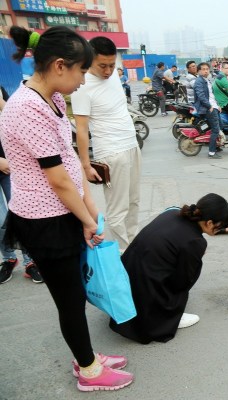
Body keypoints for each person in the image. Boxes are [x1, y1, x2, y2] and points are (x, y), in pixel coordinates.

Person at [0, 26, 133, 391]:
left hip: (65, 212)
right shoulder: (27, 108)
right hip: (45, 220)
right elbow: (57, 180)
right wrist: (88, 220)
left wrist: (90, 209)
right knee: (70, 299)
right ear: (60, 66)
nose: (83, 80)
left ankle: (86, 357)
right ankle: (89, 371)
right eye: (81, 72)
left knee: (75, 292)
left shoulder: (53, 99)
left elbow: (72, 162)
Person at [109, 194, 228, 344]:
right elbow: (181, 282)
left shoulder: (172, 213)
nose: (220, 231)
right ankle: (167, 315)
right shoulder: (195, 241)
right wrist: (196, 259)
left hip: (124, 282)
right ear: (209, 222)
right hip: (145, 295)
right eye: (219, 227)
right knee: (188, 271)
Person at [71, 37, 141, 252]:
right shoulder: (81, 86)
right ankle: (124, 255)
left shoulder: (112, 77)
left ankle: (135, 249)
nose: (108, 70)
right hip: (110, 152)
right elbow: (82, 129)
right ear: (89, 59)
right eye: (103, 65)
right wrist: (86, 165)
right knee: (118, 210)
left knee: (133, 203)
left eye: (112, 65)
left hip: (131, 145)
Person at [0, 86, 40, 284]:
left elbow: (13, 120)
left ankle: (30, 262)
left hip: (10, 166)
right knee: (0, 221)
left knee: (22, 216)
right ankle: (9, 259)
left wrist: (0, 102)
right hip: (2, 163)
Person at [194, 62, 223, 159]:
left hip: (213, 106)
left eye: (207, 69)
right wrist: (209, 106)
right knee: (215, 129)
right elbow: (201, 96)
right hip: (208, 108)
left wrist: (217, 105)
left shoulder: (207, 80)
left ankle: (216, 146)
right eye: (203, 69)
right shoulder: (199, 81)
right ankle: (211, 152)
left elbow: (212, 95)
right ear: (199, 71)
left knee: (220, 126)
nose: (206, 71)